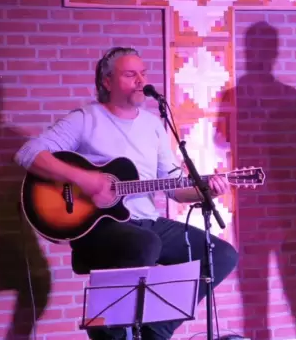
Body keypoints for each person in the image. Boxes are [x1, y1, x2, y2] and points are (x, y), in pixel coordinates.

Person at [13, 46, 239, 340]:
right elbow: (28, 153)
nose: (140, 81)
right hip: (100, 227)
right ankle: (109, 334)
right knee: (145, 243)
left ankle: (156, 331)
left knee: (221, 254)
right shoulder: (86, 119)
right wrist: (86, 179)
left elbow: (173, 185)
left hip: (148, 222)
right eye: (130, 74)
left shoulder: (153, 125)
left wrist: (203, 189)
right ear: (107, 82)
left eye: (143, 74)